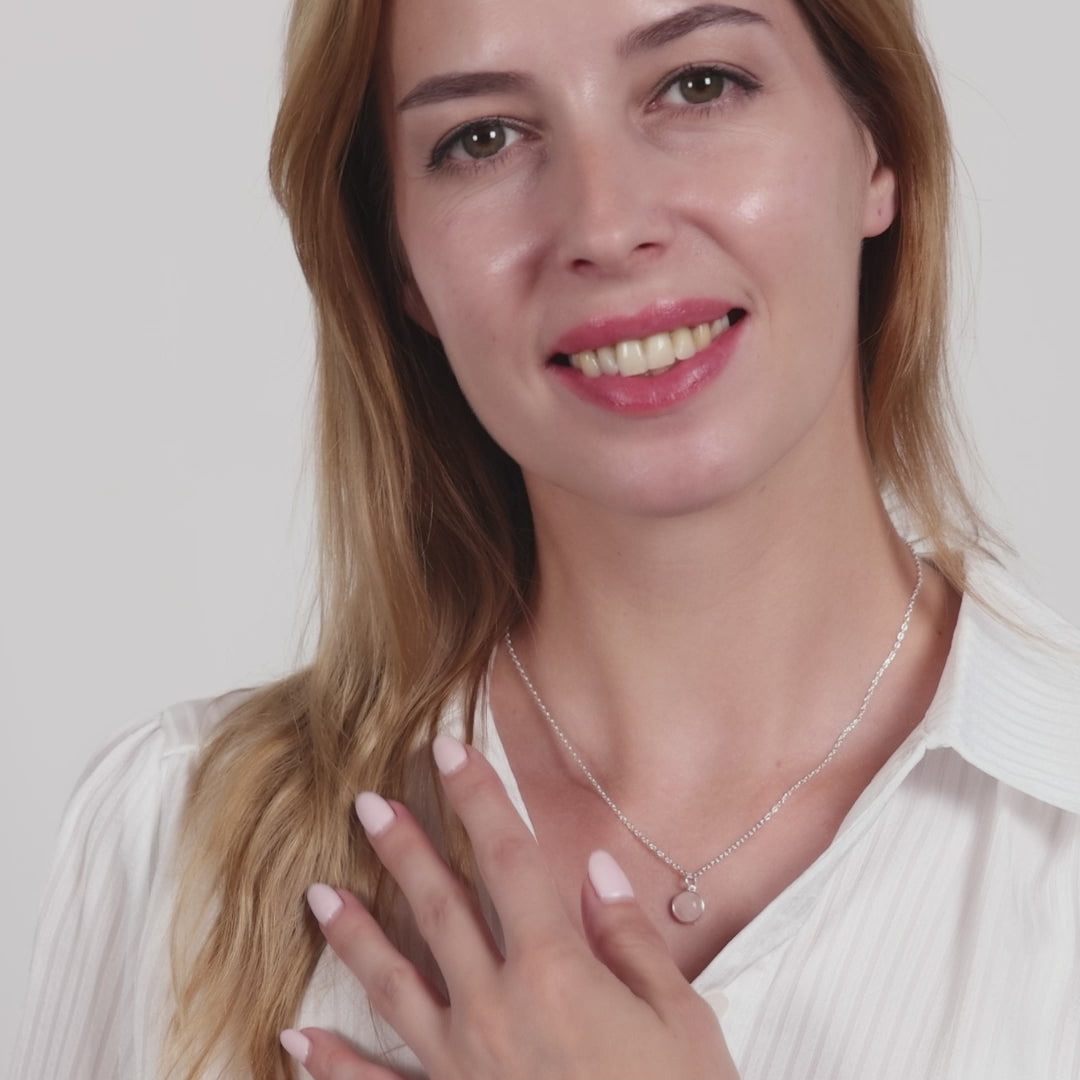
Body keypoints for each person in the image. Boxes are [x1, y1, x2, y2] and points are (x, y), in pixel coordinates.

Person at [12, 0, 1080, 1077]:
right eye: (480, 138)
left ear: (877, 143)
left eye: (699, 84)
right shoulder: (173, 841)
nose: (606, 227)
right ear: (401, 266)